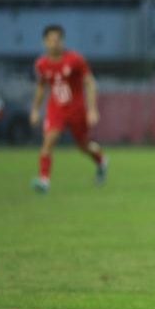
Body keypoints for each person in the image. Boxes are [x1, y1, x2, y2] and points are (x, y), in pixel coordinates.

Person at [29, 25, 107, 193]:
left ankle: (101, 160)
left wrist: (92, 109)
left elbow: (90, 83)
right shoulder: (41, 64)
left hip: (76, 109)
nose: (54, 44)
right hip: (56, 109)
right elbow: (41, 87)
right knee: (48, 141)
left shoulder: (75, 60)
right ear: (44, 42)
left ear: (63, 41)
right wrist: (35, 110)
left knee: (83, 145)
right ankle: (44, 181)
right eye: (50, 40)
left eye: (57, 40)